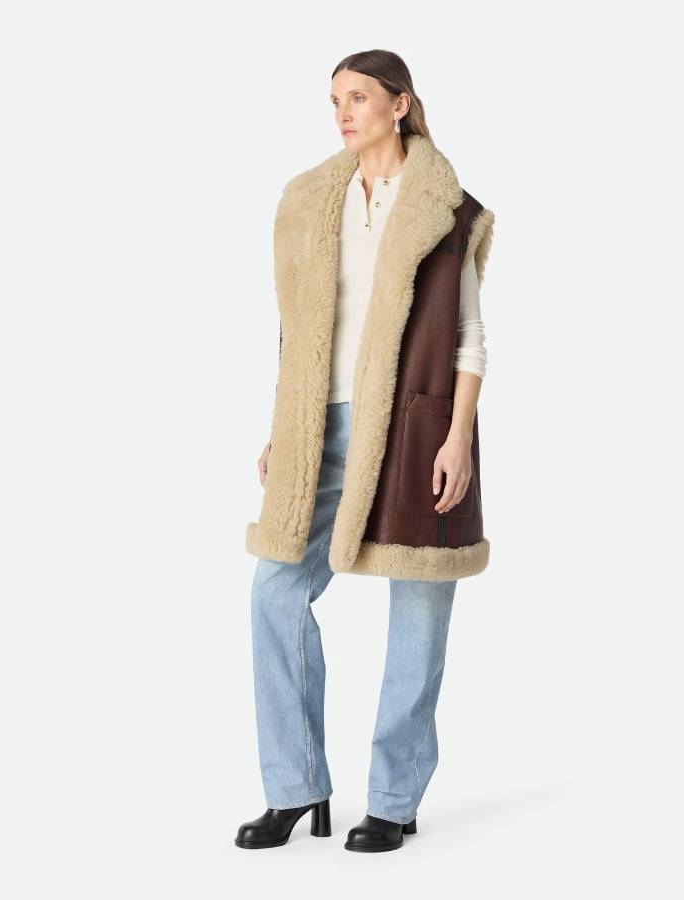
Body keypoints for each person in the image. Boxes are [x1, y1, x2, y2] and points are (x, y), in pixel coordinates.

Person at [236, 49, 494, 853]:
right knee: (275, 593)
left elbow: (468, 335)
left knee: (419, 604)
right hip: (322, 428)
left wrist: (457, 435)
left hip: (416, 427)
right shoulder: (311, 201)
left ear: (400, 104)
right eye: (334, 100)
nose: (343, 112)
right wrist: (283, 428)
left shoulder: (445, 209)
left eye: (358, 97)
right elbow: (297, 333)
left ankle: (394, 799)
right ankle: (295, 787)